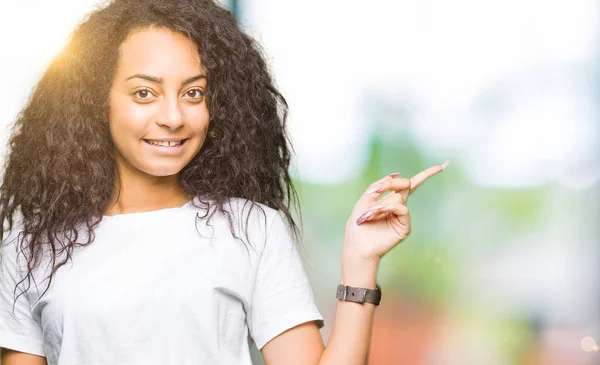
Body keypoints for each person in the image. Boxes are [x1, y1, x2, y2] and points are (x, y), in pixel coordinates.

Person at [0, 0, 448, 364]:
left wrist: (360, 262)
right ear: (98, 102)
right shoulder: (30, 247)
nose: (173, 117)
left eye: (194, 93)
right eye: (144, 93)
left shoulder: (251, 228)